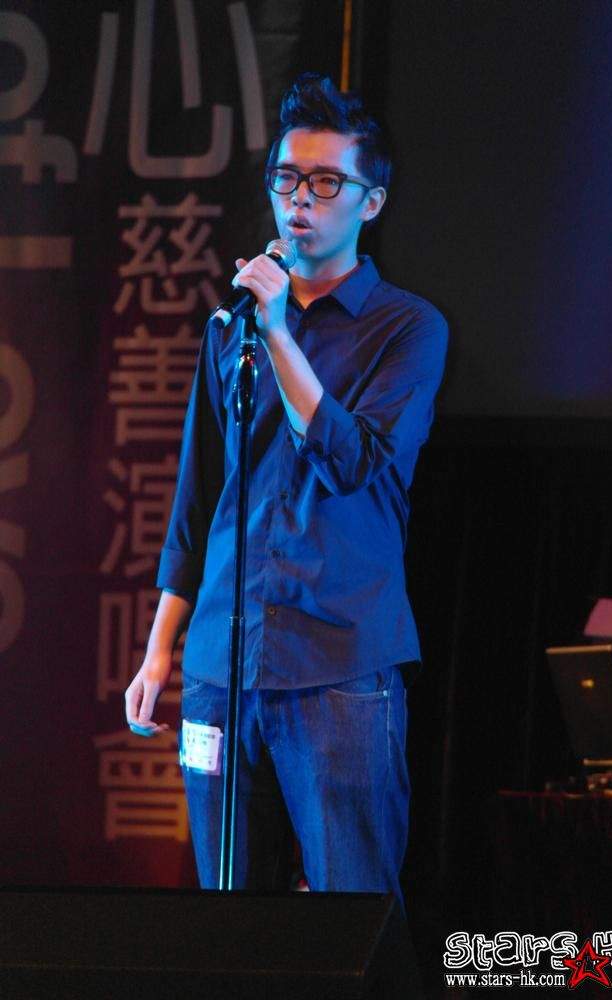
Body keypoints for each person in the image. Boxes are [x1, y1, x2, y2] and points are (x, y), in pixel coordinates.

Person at [125, 73, 447, 904]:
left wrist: (279, 334)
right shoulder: (231, 328)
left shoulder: (406, 328)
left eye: (327, 182)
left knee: (348, 910)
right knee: (230, 918)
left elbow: (352, 461)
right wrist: (161, 649)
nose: (300, 198)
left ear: (371, 202)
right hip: (219, 667)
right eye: (287, 177)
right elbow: (199, 494)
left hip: (337, 660)